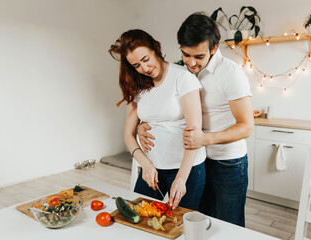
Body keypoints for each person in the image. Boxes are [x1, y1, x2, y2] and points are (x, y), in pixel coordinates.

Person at [137, 13, 254, 227]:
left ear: (214, 48)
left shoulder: (231, 74)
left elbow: (247, 127)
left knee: (229, 226)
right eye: (185, 54)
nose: (191, 62)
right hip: (197, 161)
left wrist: (204, 139)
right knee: (201, 222)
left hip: (227, 162)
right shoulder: (181, 71)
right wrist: (141, 126)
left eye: (199, 56)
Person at [109, 29, 206, 210]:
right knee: (138, 216)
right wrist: (144, 163)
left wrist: (181, 179)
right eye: (137, 65)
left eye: (145, 59)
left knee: (180, 225)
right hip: (152, 168)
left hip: (187, 169)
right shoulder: (139, 86)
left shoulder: (183, 78)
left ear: (156, 49)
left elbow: (195, 133)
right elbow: (128, 134)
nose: (144, 68)